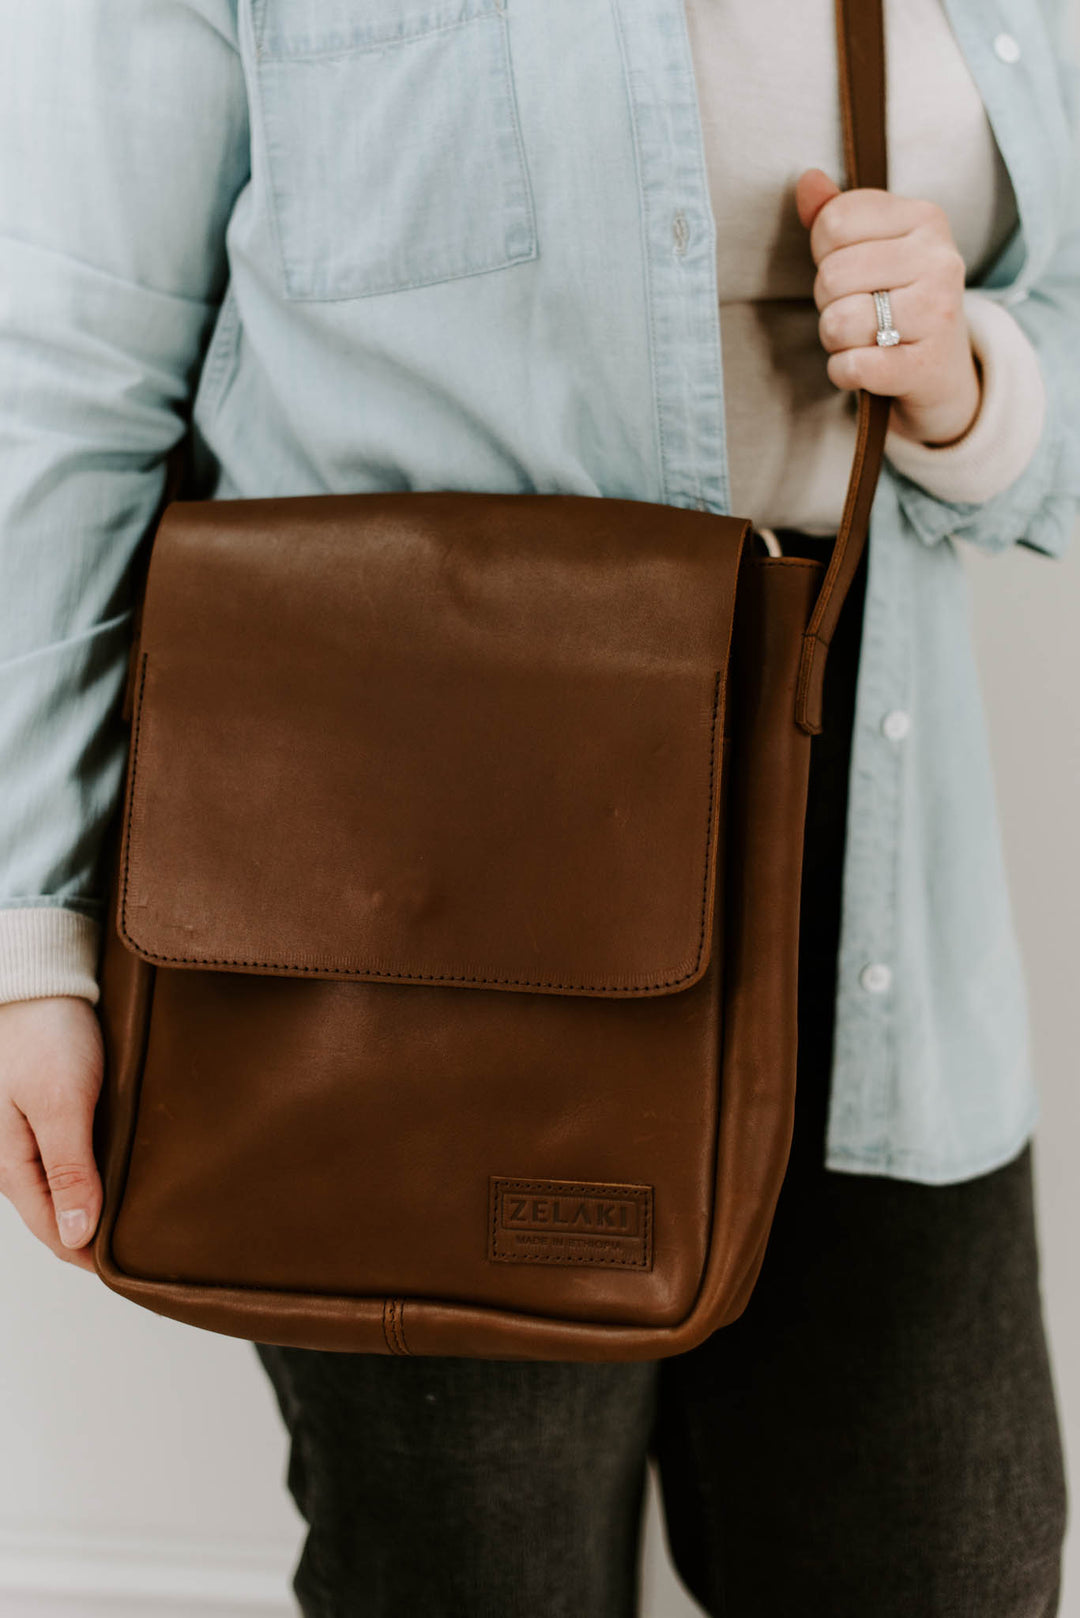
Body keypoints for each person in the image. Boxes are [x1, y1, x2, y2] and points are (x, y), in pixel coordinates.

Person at [0, 0, 1076, 1612]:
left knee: (943, 1561)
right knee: (469, 1572)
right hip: (396, 913)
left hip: (873, 876)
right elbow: (69, 379)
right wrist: (32, 927)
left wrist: (973, 380)